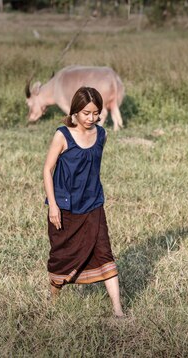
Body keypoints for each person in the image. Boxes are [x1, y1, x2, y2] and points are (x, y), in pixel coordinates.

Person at [42, 86, 124, 317]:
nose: (91, 118)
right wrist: (54, 206)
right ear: (75, 111)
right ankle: (54, 303)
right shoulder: (62, 135)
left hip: (93, 204)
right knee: (61, 255)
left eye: (96, 113)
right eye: (86, 113)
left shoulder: (101, 135)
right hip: (65, 207)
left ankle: (118, 311)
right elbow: (47, 170)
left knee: (104, 251)